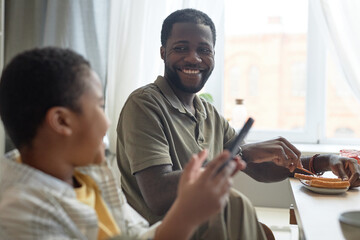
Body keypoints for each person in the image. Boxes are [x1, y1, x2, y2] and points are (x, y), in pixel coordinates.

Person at [116, 8, 360, 240]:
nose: (194, 58)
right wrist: (239, 155)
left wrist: (324, 162)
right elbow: (157, 195)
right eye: (181, 48)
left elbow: (259, 168)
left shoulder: (208, 112)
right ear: (162, 52)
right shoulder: (145, 105)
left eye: (204, 49)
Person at [0, 47, 241, 240]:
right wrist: (186, 215)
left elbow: (136, 235)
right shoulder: (23, 212)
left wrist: (188, 210)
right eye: (99, 106)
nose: (107, 123)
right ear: (62, 121)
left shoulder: (92, 175)